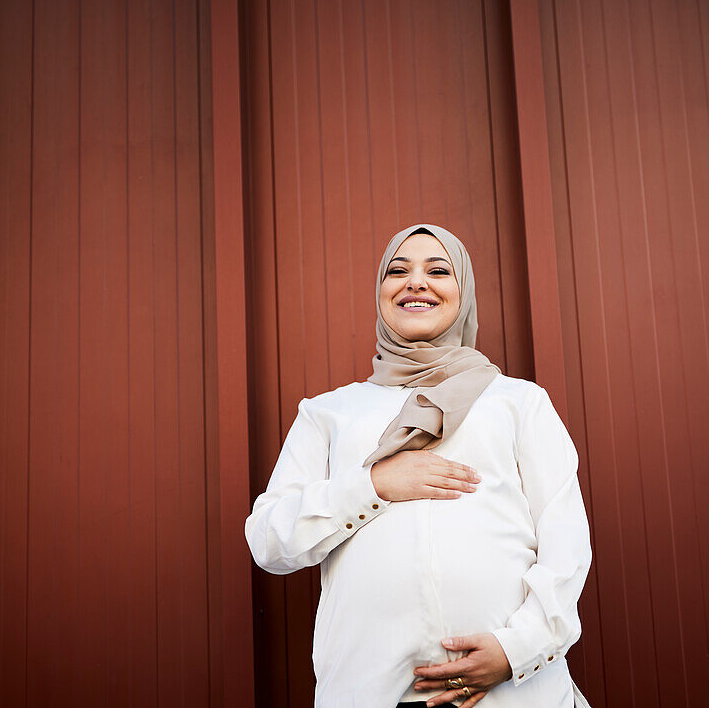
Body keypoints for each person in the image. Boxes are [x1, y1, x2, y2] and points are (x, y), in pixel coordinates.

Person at [245, 224, 592, 707]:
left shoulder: (519, 403)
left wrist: (516, 650)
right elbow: (269, 540)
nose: (416, 282)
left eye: (438, 270)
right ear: (381, 293)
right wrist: (375, 484)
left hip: (511, 694)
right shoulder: (328, 414)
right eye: (398, 270)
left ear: (463, 291)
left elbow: (566, 544)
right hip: (371, 693)